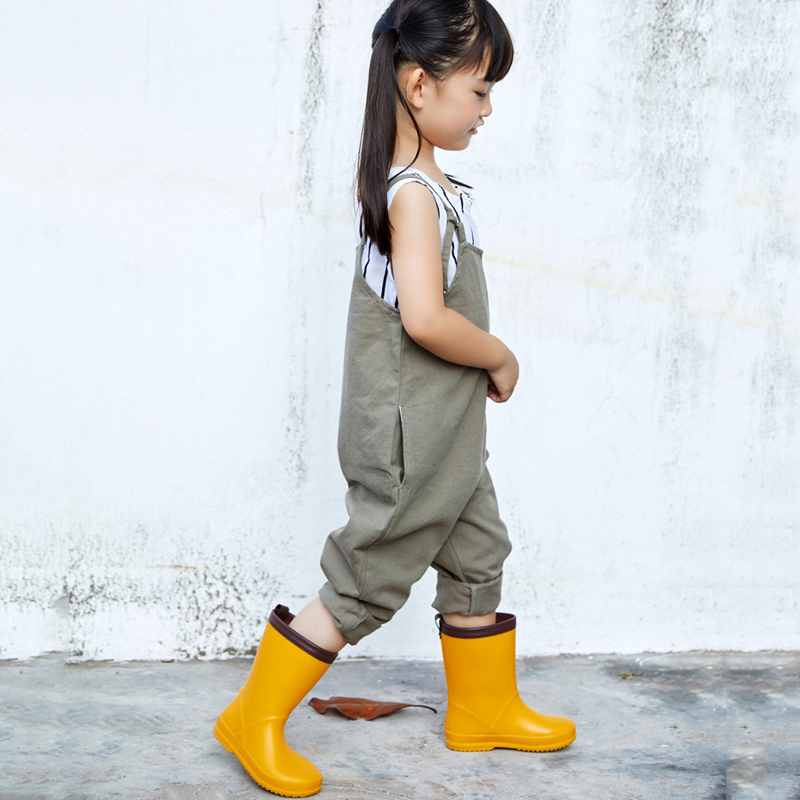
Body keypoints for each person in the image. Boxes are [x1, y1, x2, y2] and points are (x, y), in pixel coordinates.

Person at [214, 1, 576, 796]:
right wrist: (499, 354)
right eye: (479, 91)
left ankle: (482, 708)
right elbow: (425, 318)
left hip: (449, 428)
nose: (488, 110)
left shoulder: (437, 186)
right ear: (419, 84)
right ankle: (253, 715)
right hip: (410, 434)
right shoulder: (409, 193)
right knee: (369, 573)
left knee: (478, 551)